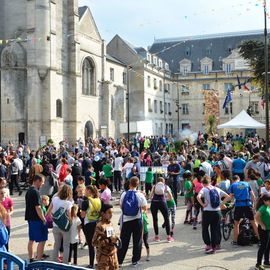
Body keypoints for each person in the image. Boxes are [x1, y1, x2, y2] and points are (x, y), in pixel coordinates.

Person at [118, 176, 147, 267]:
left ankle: (119, 261)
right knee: (137, 240)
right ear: (137, 184)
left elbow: (121, 206)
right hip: (137, 219)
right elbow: (145, 208)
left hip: (126, 220)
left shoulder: (124, 194)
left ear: (129, 184)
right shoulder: (140, 195)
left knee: (124, 240)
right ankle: (135, 261)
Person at [197, 176, 230, 254]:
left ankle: (208, 245)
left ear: (203, 183)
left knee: (205, 229)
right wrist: (221, 204)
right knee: (214, 229)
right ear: (210, 181)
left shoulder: (204, 189)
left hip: (207, 212)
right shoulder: (217, 189)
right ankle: (214, 247)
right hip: (217, 212)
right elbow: (228, 197)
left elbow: (198, 197)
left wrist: (203, 204)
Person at [227, 176, 259, 245]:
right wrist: (253, 204)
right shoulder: (246, 184)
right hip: (248, 204)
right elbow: (253, 195)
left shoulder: (233, 185)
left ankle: (235, 241)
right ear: (239, 179)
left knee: (236, 224)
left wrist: (223, 203)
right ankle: (260, 239)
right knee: (253, 222)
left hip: (239, 206)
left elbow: (230, 197)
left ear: (233, 180)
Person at [46, 184, 73, 264]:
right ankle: (65, 264)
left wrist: (53, 218)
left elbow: (48, 212)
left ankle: (54, 262)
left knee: (56, 245)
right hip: (65, 227)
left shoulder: (54, 199)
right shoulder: (68, 203)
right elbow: (69, 216)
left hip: (55, 226)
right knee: (66, 246)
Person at [25, 174, 47, 262]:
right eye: (42, 182)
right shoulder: (36, 192)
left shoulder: (29, 190)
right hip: (37, 219)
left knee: (31, 239)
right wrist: (43, 219)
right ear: (37, 181)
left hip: (30, 218)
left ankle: (31, 258)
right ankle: (38, 260)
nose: (43, 184)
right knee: (42, 240)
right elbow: (38, 207)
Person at [92, 203, 119, 270]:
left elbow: (112, 235)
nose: (111, 215)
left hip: (113, 255)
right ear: (103, 213)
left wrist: (115, 238)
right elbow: (94, 242)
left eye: (112, 212)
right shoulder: (99, 226)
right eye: (109, 212)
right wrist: (108, 240)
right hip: (103, 258)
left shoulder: (110, 223)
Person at [81, 185, 102, 269]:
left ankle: (91, 264)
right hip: (97, 224)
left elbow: (82, 216)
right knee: (97, 245)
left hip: (88, 224)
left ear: (89, 192)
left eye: (85, 190)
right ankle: (99, 261)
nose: (84, 192)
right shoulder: (99, 200)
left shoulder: (85, 202)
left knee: (90, 245)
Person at [150, 177, 174, 242]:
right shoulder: (166, 187)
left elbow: (150, 196)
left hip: (154, 202)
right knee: (166, 219)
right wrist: (165, 199)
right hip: (162, 202)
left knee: (155, 219)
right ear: (163, 181)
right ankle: (168, 237)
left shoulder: (154, 186)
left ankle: (157, 237)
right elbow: (171, 197)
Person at [255, 194, 270, 270]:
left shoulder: (268, 206)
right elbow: (256, 217)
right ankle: (258, 264)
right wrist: (262, 224)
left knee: (268, 246)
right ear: (264, 201)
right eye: (269, 200)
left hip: (268, 229)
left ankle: (266, 262)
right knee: (263, 246)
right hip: (263, 230)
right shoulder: (263, 208)